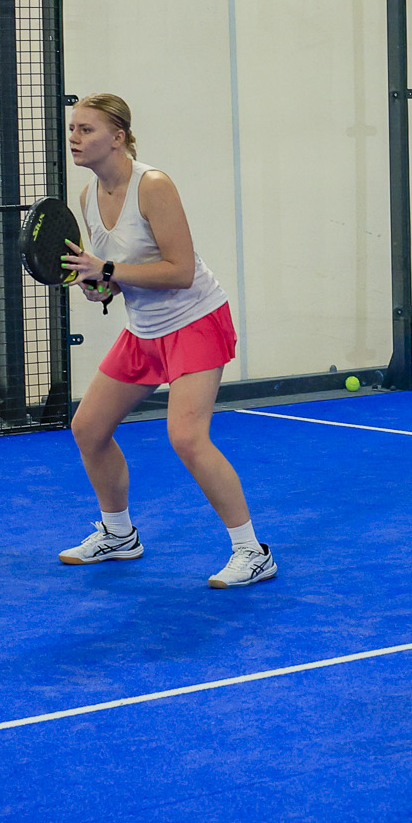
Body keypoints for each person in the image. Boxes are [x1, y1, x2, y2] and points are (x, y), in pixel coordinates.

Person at [53, 93, 276, 591]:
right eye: (73, 129)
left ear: (119, 136)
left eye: (86, 130)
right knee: (88, 428)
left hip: (195, 320)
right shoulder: (88, 197)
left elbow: (179, 271)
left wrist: (107, 268)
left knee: (187, 437)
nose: (75, 138)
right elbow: (116, 281)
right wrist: (99, 284)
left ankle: (252, 552)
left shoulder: (153, 186)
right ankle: (118, 534)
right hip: (145, 329)